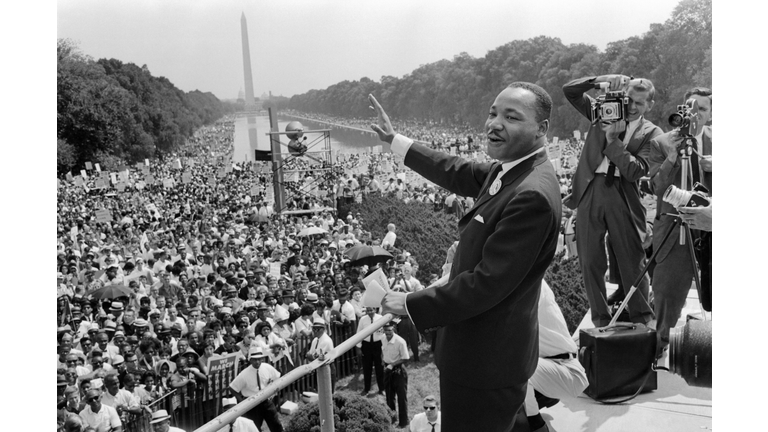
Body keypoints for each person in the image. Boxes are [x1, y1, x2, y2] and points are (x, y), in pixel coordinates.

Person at [370, 82, 561, 431]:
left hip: (486, 364)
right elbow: (454, 169)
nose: (495, 123)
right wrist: (395, 140)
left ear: (541, 129)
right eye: (492, 113)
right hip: (482, 355)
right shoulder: (510, 170)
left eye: (511, 116)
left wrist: (411, 302)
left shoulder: (531, 194)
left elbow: (487, 284)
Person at [562, 74, 661, 327]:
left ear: (649, 105)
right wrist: (599, 80)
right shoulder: (602, 111)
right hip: (590, 189)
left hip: (623, 193)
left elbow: (636, 171)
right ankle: (600, 320)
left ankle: (641, 317)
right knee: (590, 260)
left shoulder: (653, 133)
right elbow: (570, 91)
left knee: (632, 260)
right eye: (628, 99)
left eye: (639, 103)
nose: (632, 106)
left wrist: (612, 141)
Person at [648, 87, 713, 356]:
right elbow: (656, 187)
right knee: (667, 290)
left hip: (711, 225)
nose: (696, 114)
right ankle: (659, 344)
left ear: (711, 113)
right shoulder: (661, 143)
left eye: (703, 108)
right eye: (691, 107)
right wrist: (675, 154)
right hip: (674, 226)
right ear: (682, 109)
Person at [229, 346, 284, 432]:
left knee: (276, 424)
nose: (257, 362)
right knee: (254, 427)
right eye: (254, 359)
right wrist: (242, 401)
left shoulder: (267, 367)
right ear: (250, 360)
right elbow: (232, 388)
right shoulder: (244, 374)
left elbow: (277, 378)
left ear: (262, 358)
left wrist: (273, 392)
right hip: (253, 405)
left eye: (259, 359)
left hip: (266, 401)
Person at [381, 321, 410, 428]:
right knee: (389, 396)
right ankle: (392, 419)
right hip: (387, 370)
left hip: (399, 371)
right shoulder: (383, 338)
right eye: (385, 330)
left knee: (401, 397)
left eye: (389, 330)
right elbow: (383, 350)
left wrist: (393, 364)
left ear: (394, 329)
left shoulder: (400, 341)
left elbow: (406, 358)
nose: (387, 333)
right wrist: (383, 360)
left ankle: (403, 422)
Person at [355, 307, 385, 396]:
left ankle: (382, 388)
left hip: (378, 345)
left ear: (375, 310)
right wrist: (359, 347)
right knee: (366, 368)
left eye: (371, 310)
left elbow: (383, 333)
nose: (370, 312)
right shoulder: (363, 320)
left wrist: (384, 348)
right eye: (368, 310)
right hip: (366, 345)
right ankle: (366, 388)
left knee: (379, 368)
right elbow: (359, 333)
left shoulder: (380, 318)